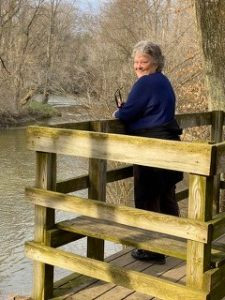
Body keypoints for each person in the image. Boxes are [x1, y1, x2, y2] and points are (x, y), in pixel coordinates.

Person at [114, 41, 183, 264]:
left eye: (143, 61)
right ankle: (175, 243)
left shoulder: (145, 83)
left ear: (155, 63)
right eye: (136, 62)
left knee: (147, 198)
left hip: (151, 148)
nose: (138, 66)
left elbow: (126, 115)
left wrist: (119, 110)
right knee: (166, 195)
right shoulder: (163, 81)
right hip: (169, 145)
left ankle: (152, 250)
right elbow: (150, 110)